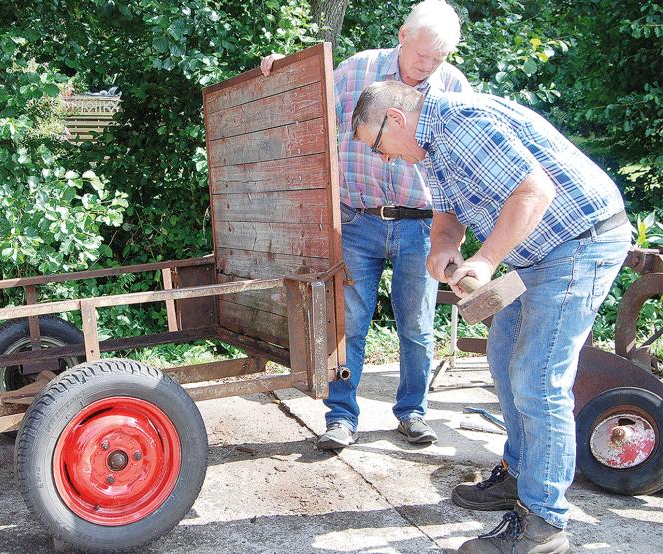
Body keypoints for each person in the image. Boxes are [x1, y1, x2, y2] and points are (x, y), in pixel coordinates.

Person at [351, 80, 629, 554]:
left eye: (378, 145)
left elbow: (533, 191)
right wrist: (444, 246)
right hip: (538, 251)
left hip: (580, 242)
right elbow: (446, 214)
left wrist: (485, 261)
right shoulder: (430, 146)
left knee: (538, 379)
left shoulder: (460, 121)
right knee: (504, 360)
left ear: (395, 119)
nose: (385, 158)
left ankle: (543, 524)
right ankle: (520, 476)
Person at [261, 0, 470, 450]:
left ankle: (413, 412)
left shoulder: (452, 85)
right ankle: (340, 417)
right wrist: (281, 73)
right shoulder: (358, 70)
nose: (428, 66)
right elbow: (309, 104)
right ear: (401, 35)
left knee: (416, 324)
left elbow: (462, 162)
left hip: (421, 226)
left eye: (439, 58)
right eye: (422, 55)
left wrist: (454, 233)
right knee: (349, 322)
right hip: (358, 219)